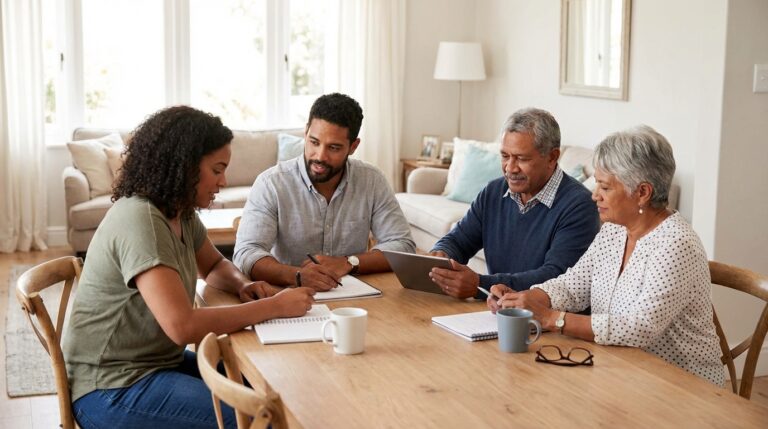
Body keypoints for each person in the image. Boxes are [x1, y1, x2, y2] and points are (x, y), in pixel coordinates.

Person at [63, 106, 316, 428]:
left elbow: (212, 265)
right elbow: (182, 326)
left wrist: (241, 284)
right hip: (110, 387)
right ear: (183, 167)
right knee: (256, 417)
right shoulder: (142, 221)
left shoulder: (179, 212)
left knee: (271, 391)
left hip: (153, 364)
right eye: (217, 169)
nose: (224, 181)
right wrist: (273, 307)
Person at [488, 125, 724, 386]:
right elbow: (573, 285)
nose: (594, 195)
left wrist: (549, 317)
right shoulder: (614, 230)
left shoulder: (677, 245)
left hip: (680, 386)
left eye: (605, 187)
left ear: (642, 193)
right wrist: (527, 298)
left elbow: (639, 328)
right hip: (617, 369)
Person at [234, 93, 415, 291]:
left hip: (355, 298)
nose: (320, 156)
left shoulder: (371, 180)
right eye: (314, 142)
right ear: (305, 133)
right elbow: (246, 253)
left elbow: (403, 245)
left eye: (334, 148)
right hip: (288, 295)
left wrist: (349, 262)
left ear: (353, 147)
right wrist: (297, 276)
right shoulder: (271, 183)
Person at [429, 108, 600, 299]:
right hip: (498, 311)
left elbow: (556, 277)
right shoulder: (493, 192)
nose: (510, 168)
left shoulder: (580, 206)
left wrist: (480, 285)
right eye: (505, 156)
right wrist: (441, 254)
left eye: (522, 158)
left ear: (552, 157)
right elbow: (458, 241)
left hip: (543, 320)